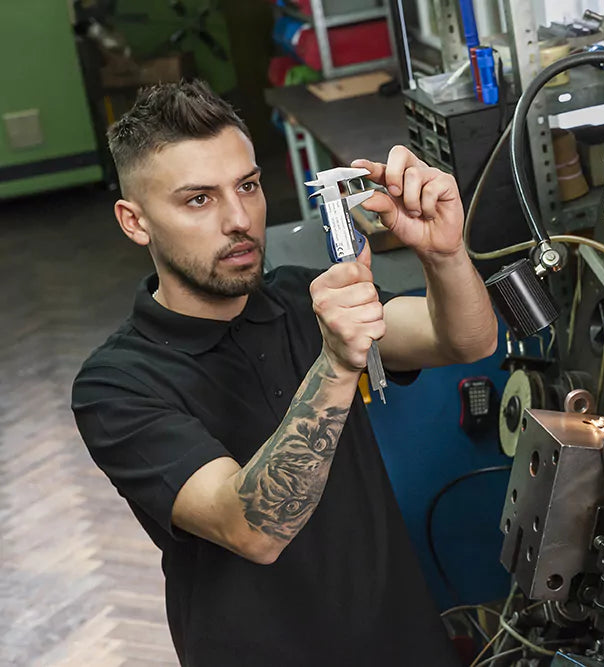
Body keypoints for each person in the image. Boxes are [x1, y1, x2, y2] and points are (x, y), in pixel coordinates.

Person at [71, 80, 498, 666]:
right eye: (199, 199)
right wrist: (338, 363)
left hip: (401, 640)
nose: (239, 218)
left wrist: (445, 255)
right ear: (135, 221)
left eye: (247, 185)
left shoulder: (301, 297)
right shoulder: (117, 384)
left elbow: (465, 338)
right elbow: (253, 528)